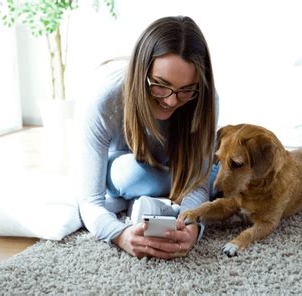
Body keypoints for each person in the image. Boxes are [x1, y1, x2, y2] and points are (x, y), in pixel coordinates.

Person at [77, 16, 218, 259]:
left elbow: (197, 184)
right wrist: (120, 234)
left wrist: (191, 227)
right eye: (160, 85)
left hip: (181, 171)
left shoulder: (204, 100)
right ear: (141, 72)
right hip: (133, 171)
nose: (171, 101)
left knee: (220, 179)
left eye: (185, 90)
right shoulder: (105, 99)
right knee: (130, 175)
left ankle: (155, 200)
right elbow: (90, 201)